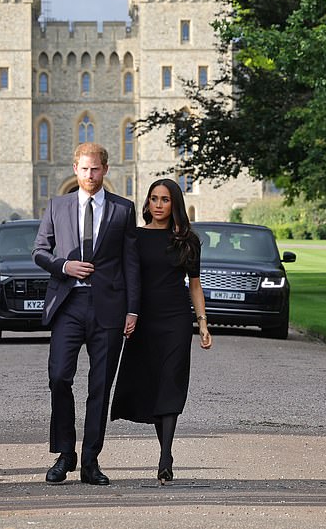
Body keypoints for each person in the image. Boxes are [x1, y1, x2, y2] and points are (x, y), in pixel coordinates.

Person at [32, 142, 140, 486]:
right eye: (84, 168)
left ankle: (91, 460)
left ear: (105, 170)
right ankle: (66, 453)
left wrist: (133, 309)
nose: (90, 175)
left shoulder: (123, 209)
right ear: (74, 169)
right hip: (68, 305)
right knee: (60, 377)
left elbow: (131, 263)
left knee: (100, 386)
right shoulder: (57, 205)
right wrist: (64, 265)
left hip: (109, 308)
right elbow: (39, 251)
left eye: (95, 169)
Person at [111, 178, 213, 485]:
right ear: (147, 202)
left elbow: (195, 285)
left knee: (171, 381)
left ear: (174, 204)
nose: (158, 204)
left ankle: (165, 455)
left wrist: (203, 323)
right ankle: (164, 450)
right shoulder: (135, 237)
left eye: (165, 200)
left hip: (176, 320)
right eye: (154, 198)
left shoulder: (188, 240)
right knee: (152, 383)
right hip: (144, 320)